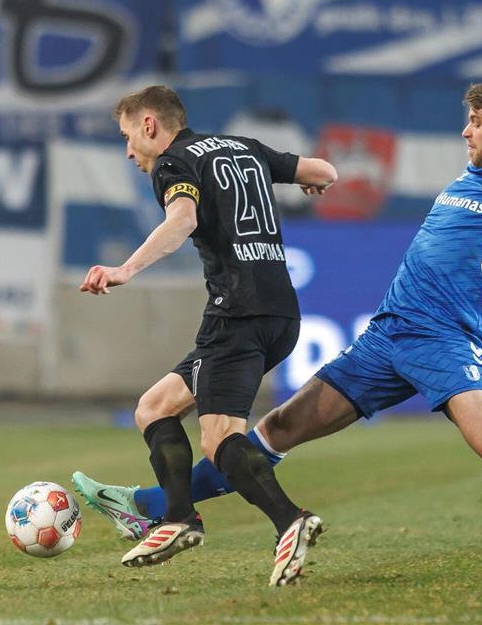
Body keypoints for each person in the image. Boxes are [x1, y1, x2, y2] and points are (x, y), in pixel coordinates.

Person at [75, 77, 482, 580]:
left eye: (477, 123)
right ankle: (148, 504)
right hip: (386, 336)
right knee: (277, 430)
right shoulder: (480, 179)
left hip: (444, 341)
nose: (466, 132)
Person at [78, 84, 338, 586]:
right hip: (282, 313)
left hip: (236, 313)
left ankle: (290, 520)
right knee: (154, 407)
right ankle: (179, 518)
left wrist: (127, 269)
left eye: (129, 136)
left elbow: (183, 219)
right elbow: (323, 172)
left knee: (220, 439)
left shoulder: (173, 164)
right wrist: (312, 183)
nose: (129, 150)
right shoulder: (242, 147)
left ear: (150, 125)